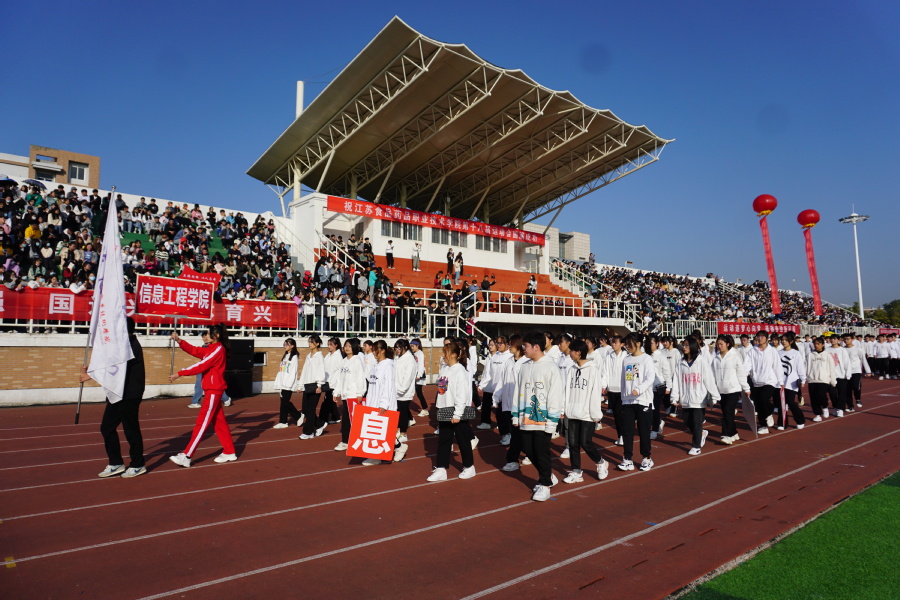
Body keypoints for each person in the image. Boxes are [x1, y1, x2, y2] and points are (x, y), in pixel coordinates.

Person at [80, 317, 147, 478]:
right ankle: (116, 463)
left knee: (131, 429)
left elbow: (117, 367)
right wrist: (93, 369)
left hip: (130, 394)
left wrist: (91, 375)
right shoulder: (122, 345)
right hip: (116, 393)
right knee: (107, 427)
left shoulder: (131, 346)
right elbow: (110, 361)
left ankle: (138, 464)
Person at [168, 324, 236, 467]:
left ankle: (187, 455)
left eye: (208, 334)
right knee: (219, 423)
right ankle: (229, 451)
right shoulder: (211, 348)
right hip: (212, 390)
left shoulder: (218, 349)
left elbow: (201, 365)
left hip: (214, 390)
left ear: (216, 336)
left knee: (202, 423)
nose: (205, 336)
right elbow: (195, 350)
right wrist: (179, 341)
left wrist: (179, 373)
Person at [512, 330, 563, 501]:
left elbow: (555, 395)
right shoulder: (524, 366)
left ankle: (545, 484)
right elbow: (518, 391)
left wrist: (552, 422)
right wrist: (515, 415)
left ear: (536, 347)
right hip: (526, 417)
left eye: (526, 346)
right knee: (528, 449)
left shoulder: (551, 367)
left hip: (543, 418)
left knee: (541, 452)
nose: (523, 349)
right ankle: (547, 475)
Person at [561, 339, 610, 483]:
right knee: (573, 443)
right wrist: (563, 408)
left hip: (587, 413)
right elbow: (566, 390)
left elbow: (595, 393)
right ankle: (576, 472)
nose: (570, 353)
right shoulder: (571, 369)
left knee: (586, 442)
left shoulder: (592, 370)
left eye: (572, 351)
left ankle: (601, 462)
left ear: (578, 352)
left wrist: (596, 414)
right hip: (572, 411)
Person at [427, 339, 476, 481]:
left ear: (454, 354)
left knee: (462, 440)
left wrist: (458, 414)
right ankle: (441, 469)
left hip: (455, 411)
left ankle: (469, 467)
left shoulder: (460, 371)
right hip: (444, 409)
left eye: (446, 353)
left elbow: (462, 394)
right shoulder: (445, 369)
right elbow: (441, 387)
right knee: (444, 441)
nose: (443, 355)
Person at [671, 336, 720, 455]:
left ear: (693, 346)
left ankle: (696, 446)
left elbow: (708, 379)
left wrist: (714, 396)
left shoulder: (701, 361)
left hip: (699, 398)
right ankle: (702, 433)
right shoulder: (681, 362)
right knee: (687, 421)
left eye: (687, 345)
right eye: (684, 345)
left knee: (697, 423)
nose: (684, 347)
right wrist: (674, 397)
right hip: (685, 398)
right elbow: (676, 380)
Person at [618, 333, 657, 469]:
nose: (627, 346)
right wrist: (623, 397)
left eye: (630, 344)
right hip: (628, 402)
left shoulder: (646, 359)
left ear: (638, 343)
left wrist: (639, 389)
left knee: (644, 431)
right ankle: (627, 459)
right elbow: (623, 380)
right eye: (626, 344)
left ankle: (646, 458)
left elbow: (650, 378)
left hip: (643, 400)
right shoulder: (626, 360)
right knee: (627, 431)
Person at [362, 340, 402, 465]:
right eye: (373, 350)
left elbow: (388, 386)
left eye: (376, 350)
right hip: (373, 403)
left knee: (382, 431)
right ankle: (399, 447)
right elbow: (371, 386)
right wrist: (368, 404)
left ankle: (376, 456)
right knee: (382, 431)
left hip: (384, 403)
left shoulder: (388, 366)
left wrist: (383, 404)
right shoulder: (375, 366)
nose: (374, 352)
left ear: (383, 350)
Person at [712, 334, 749, 445]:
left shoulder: (735, 356)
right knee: (726, 413)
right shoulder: (716, 358)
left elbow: (741, 373)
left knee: (728, 412)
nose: (719, 346)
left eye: (721, 344)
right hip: (721, 390)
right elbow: (712, 375)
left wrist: (746, 388)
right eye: (718, 344)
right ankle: (733, 432)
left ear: (727, 344)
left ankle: (726, 435)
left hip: (733, 389)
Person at [331, 338, 367, 452]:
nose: (347, 348)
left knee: (353, 420)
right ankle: (346, 441)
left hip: (354, 395)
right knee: (346, 419)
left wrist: (360, 393)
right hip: (346, 395)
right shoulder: (343, 361)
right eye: (346, 346)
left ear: (354, 348)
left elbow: (360, 377)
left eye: (349, 346)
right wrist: (336, 392)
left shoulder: (357, 360)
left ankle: (350, 441)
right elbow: (340, 378)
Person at [745, 330, 784, 434]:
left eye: (762, 336)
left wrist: (780, 381)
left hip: (769, 381)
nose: (760, 338)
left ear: (767, 339)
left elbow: (777, 366)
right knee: (758, 405)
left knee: (763, 399)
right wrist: (744, 375)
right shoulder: (752, 351)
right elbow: (747, 365)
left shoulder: (772, 351)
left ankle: (769, 412)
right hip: (756, 381)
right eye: (758, 336)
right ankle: (763, 426)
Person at [298, 335, 327, 440]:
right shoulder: (308, 356)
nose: (309, 344)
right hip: (307, 386)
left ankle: (308, 432)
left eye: (311, 342)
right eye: (309, 342)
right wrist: (300, 385)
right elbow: (304, 371)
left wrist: (319, 385)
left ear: (317, 343)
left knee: (310, 410)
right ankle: (320, 424)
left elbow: (321, 371)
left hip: (315, 386)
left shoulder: (319, 357)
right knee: (306, 410)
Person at [777, 332, 807, 430]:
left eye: (786, 340)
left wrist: (803, 379)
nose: (783, 342)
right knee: (781, 403)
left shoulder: (796, 353)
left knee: (790, 402)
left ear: (791, 341)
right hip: (780, 382)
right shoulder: (778, 353)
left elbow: (800, 367)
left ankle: (800, 420)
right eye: (782, 340)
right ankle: (782, 423)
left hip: (791, 382)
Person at [645, 334, 672, 440]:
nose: (650, 345)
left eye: (652, 343)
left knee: (655, 410)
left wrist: (668, 387)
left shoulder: (661, 356)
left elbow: (666, 372)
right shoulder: (645, 356)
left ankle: (655, 429)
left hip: (657, 387)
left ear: (657, 344)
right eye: (648, 343)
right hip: (646, 388)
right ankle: (658, 422)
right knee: (647, 410)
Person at [272, 338, 303, 429]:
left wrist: (288, 383)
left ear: (292, 346)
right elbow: (281, 371)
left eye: (287, 344)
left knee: (285, 402)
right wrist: (279, 382)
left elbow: (293, 371)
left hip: (288, 383)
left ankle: (298, 416)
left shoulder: (294, 357)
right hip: (282, 383)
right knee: (283, 402)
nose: (284, 346)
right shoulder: (286, 356)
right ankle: (283, 422)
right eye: (284, 344)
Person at [807, 336, 837, 422]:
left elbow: (832, 368)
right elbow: (807, 367)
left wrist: (833, 380)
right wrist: (807, 377)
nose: (816, 345)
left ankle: (825, 407)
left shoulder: (827, 355)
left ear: (823, 345)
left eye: (818, 344)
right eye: (815, 344)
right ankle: (817, 414)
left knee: (821, 395)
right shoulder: (810, 355)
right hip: (812, 380)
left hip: (824, 380)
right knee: (813, 398)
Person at [393, 339, 417, 444]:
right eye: (396, 347)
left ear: (406, 347)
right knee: (398, 412)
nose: (397, 350)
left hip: (404, 393)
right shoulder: (397, 358)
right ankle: (398, 430)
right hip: (395, 391)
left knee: (402, 413)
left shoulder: (410, 360)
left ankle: (403, 433)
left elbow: (408, 377)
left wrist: (401, 389)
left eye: (399, 347)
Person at [841, 332, 871, 409]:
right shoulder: (842, 350)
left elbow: (864, 360)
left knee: (856, 386)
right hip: (845, 372)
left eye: (848, 339)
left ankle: (858, 399)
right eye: (844, 339)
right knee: (847, 390)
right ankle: (850, 406)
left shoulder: (858, 349)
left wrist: (868, 371)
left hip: (856, 371)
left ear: (852, 339)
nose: (846, 341)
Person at [320, 337, 344, 424]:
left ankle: (322, 419)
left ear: (336, 345)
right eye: (328, 344)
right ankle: (335, 417)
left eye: (331, 345)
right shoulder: (328, 355)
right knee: (330, 401)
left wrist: (336, 384)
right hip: (327, 382)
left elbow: (339, 372)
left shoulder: (338, 357)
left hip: (333, 383)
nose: (329, 346)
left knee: (327, 401)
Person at [411, 338, 429, 416]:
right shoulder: (413, 353)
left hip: (419, 376)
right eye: (411, 346)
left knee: (419, 393)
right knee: (416, 392)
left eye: (413, 346)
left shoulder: (420, 353)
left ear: (417, 346)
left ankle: (425, 409)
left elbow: (421, 365)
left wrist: (419, 375)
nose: (412, 348)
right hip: (415, 375)